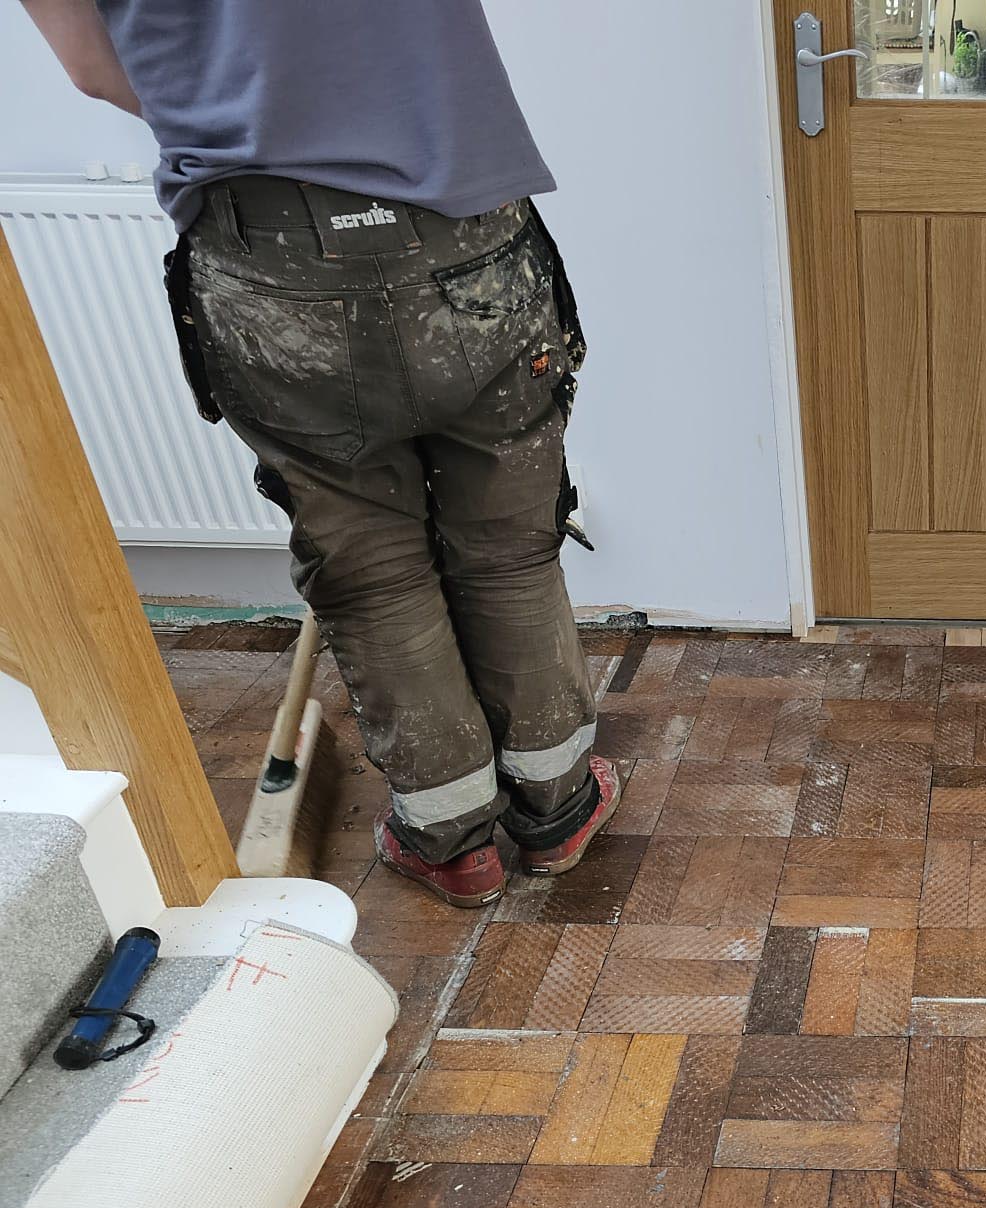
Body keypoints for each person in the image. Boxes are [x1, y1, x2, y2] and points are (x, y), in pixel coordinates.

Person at [21, 0, 620, 908]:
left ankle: (453, 842)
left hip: (269, 251)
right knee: (508, 546)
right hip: (468, 228)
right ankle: (558, 806)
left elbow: (96, 71)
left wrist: (254, 104)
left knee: (373, 573)